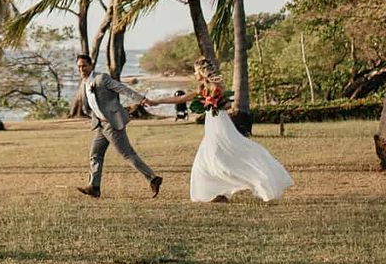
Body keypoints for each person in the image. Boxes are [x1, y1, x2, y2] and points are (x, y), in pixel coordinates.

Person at [153, 59, 293, 203]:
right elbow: (181, 98)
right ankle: (218, 193)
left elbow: (227, 105)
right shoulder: (201, 88)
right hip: (211, 124)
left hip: (220, 123)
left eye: (195, 71)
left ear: (201, 72)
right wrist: (156, 102)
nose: (194, 74)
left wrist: (213, 103)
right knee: (205, 160)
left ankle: (258, 180)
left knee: (225, 154)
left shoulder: (216, 87)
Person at [74, 53, 165, 199]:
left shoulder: (101, 78)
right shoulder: (83, 84)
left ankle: (153, 178)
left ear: (91, 65)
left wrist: (141, 99)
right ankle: (94, 187)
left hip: (112, 124)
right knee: (95, 155)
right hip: (100, 125)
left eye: (84, 66)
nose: (81, 69)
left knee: (127, 154)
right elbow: (88, 105)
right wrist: (94, 116)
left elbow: (122, 88)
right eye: (79, 66)